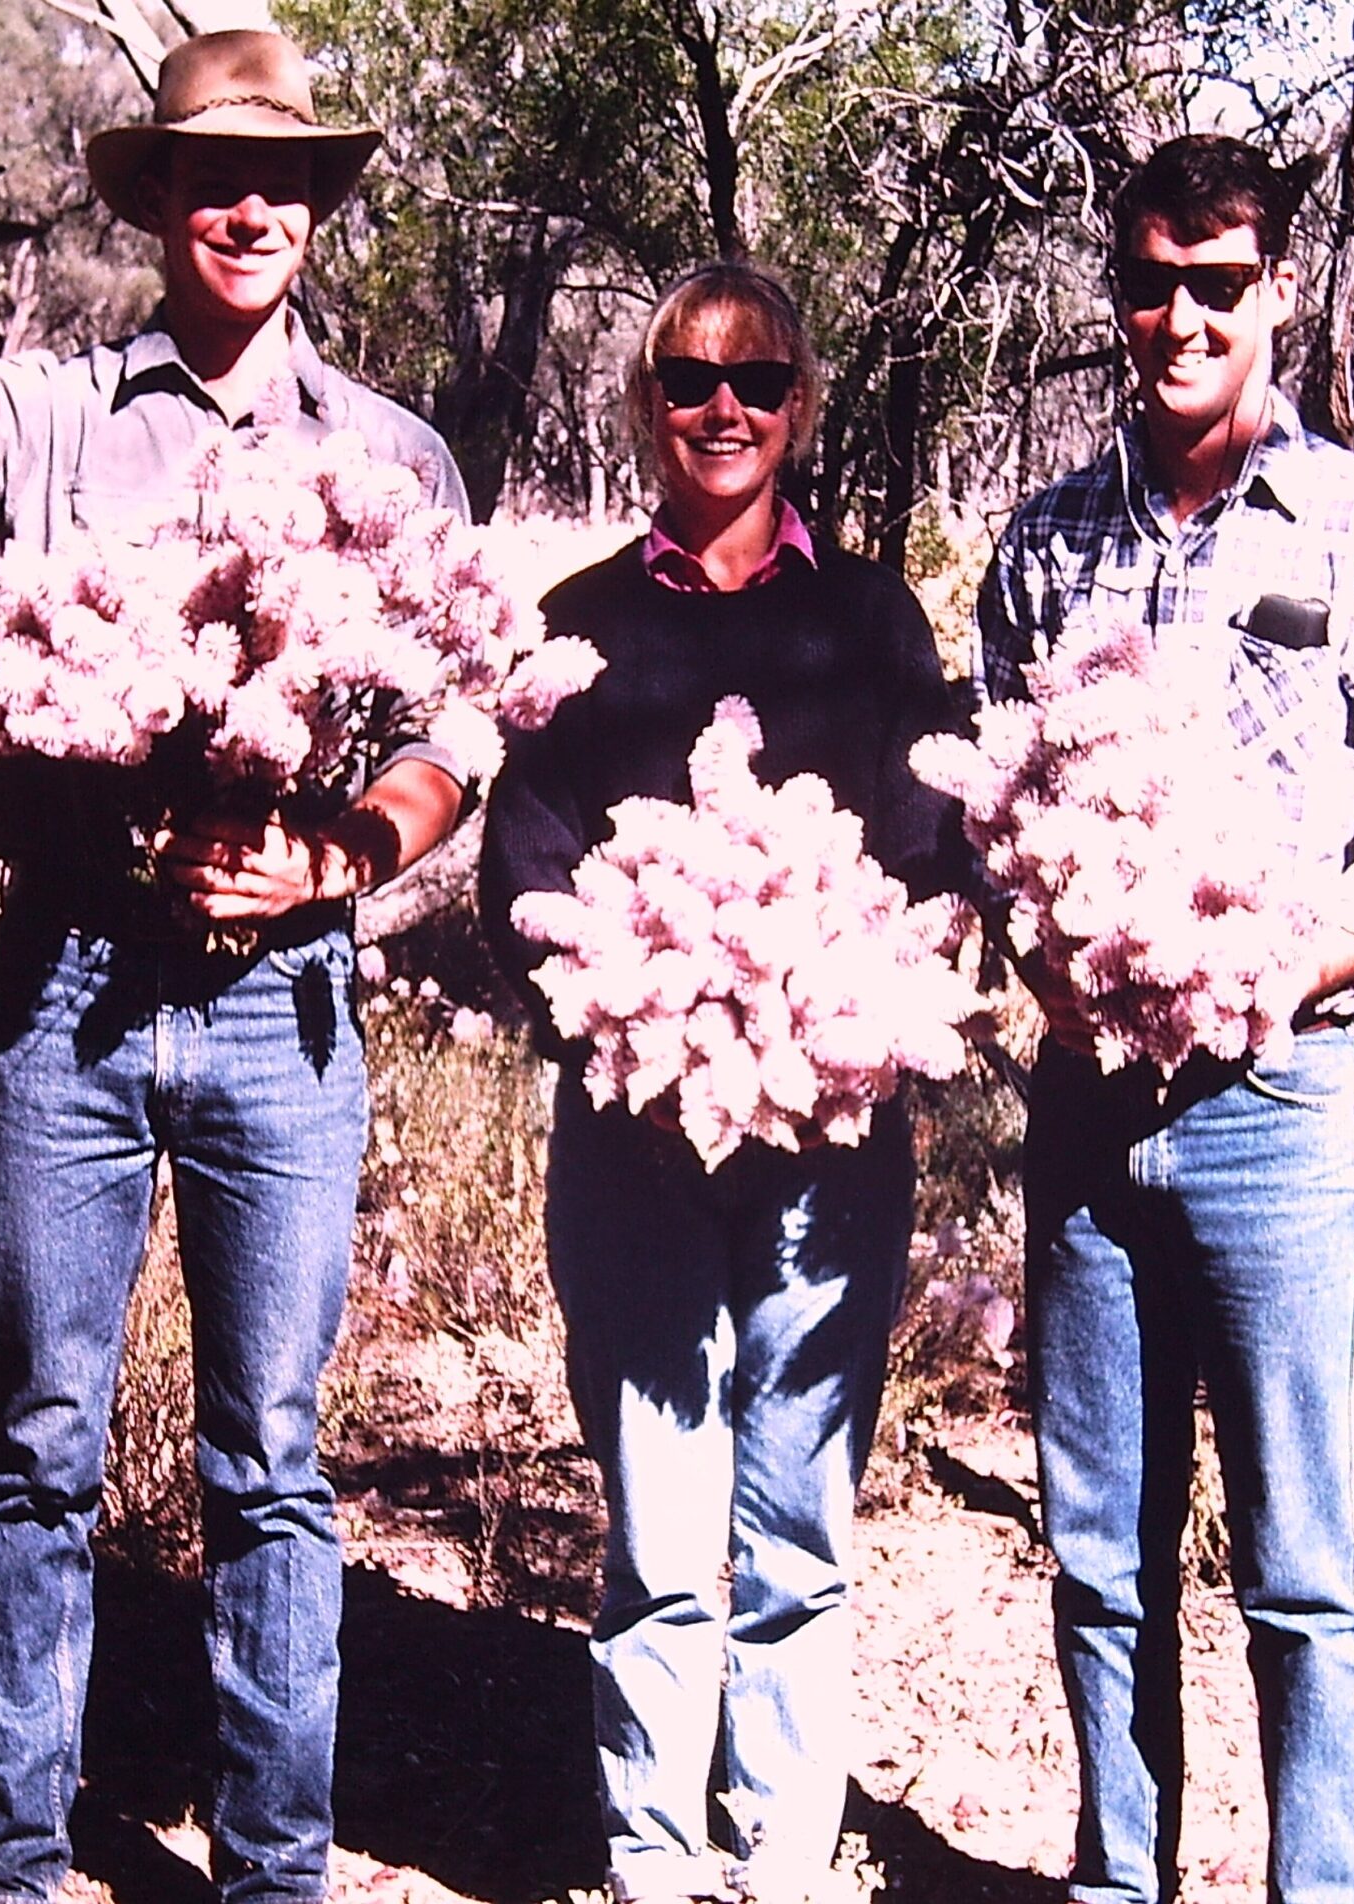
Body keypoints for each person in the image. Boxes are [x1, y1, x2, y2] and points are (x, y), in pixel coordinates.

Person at [0, 31, 468, 1904]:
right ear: (154, 200)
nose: (246, 207)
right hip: (68, 992)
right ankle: (11, 1858)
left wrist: (335, 849)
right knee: (39, 1448)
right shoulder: (54, 417)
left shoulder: (394, 461)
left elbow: (453, 733)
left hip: (283, 1013)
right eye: (208, 175)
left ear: (321, 209)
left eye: (282, 179)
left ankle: (275, 1868)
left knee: (276, 1462)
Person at [978, 135, 1354, 1904]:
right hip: (1093, 1108)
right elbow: (1000, 825)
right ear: (1115, 291)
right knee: (1101, 1552)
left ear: (1281, 292)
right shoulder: (1045, 545)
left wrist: (1281, 971)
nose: (1179, 317)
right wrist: (1043, 954)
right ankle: (1125, 1876)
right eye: (1150, 281)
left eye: (1221, 284)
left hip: (1285, 1100)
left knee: (1301, 1566)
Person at [479, 263, 965, 1904]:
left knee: (799, 1521)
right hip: (635, 1130)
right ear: (645, 404)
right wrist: (642, 1008)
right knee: (662, 1526)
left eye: (757, 383)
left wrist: (846, 994)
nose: (724, 411)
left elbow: (935, 853)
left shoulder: (875, 624)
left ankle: (781, 1851)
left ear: (803, 406)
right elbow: (521, 876)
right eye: (690, 382)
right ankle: (650, 1856)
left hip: (830, 1142)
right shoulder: (582, 622)